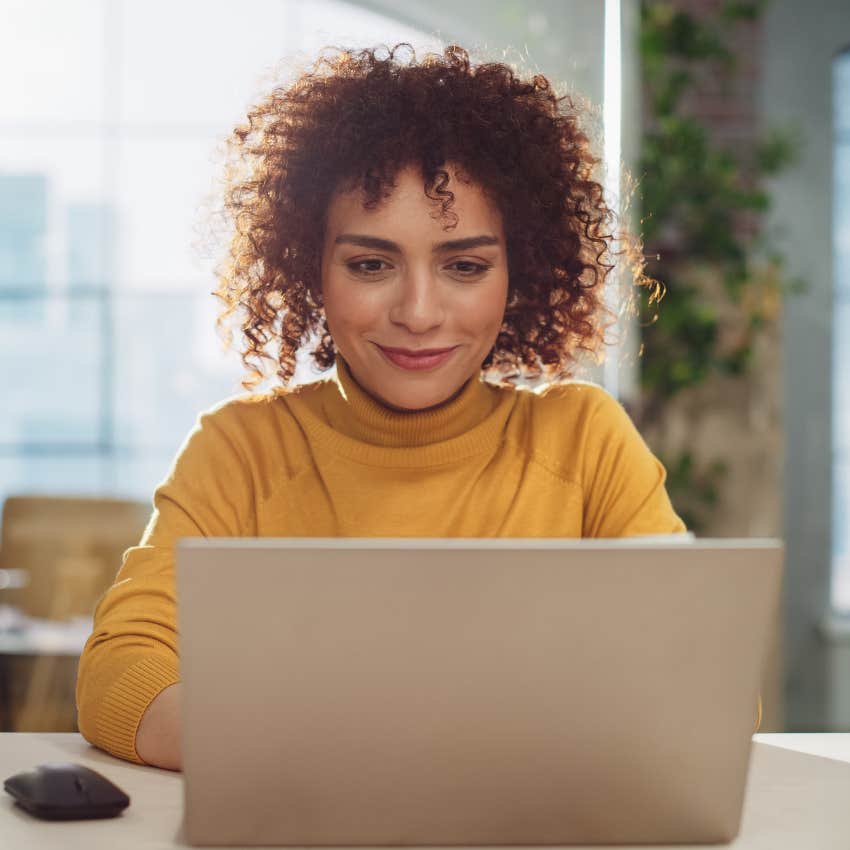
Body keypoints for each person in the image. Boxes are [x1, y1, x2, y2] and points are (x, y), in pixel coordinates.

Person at [76, 43, 700, 773]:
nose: (419, 312)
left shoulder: (583, 440)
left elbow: (695, 688)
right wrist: (338, 752)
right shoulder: (241, 449)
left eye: (465, 266)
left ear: (518, 271)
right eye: (371, 265)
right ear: (311, 267)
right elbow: (120, 673)